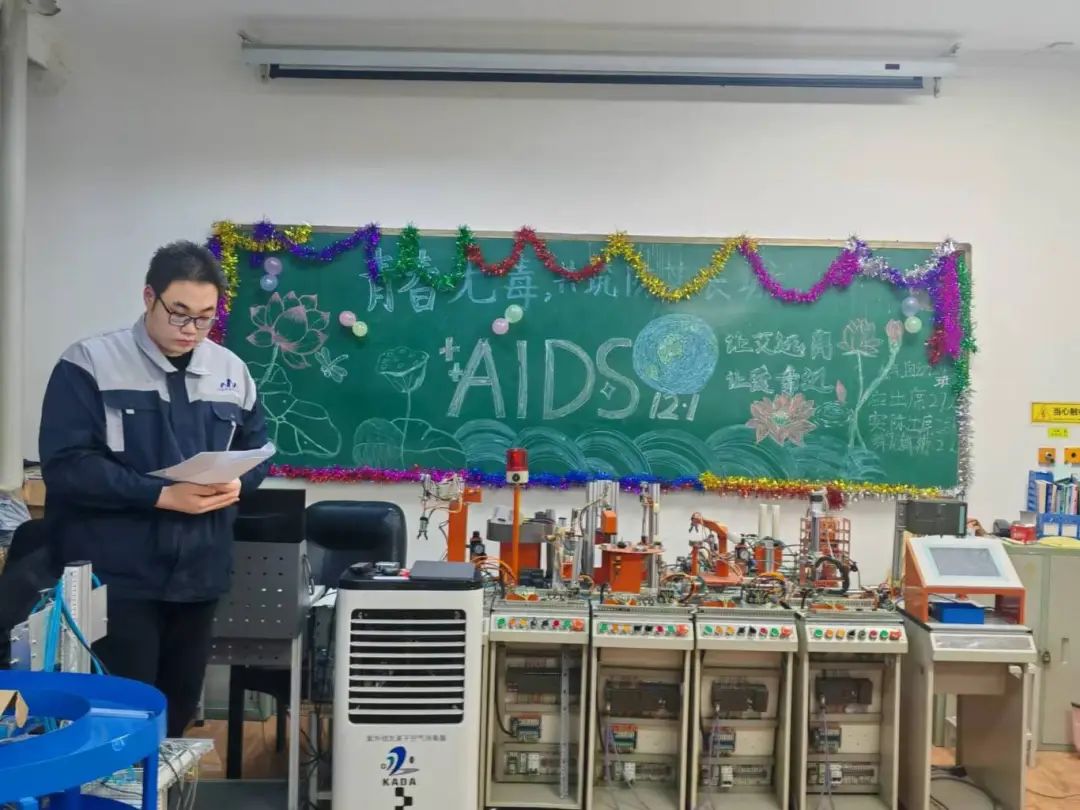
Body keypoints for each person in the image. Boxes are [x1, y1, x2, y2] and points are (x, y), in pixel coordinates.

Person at [38, 241, 269, 737]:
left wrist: (237, 483)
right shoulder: (90, 363)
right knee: (119, 718)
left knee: (176, 713)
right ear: (149, 297)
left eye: (205, 318)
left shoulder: (232, 370)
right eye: (179, 313)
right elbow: (67, 466)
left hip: (199, 574)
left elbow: (257, 450)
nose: (191, 330)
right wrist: (159, 495)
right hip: (119, 576)